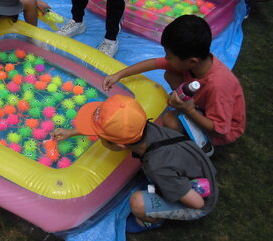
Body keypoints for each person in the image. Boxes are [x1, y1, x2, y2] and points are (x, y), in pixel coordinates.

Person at [52, 94, 218, 232]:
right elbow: (111, 131)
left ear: (119, 145)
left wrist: (169, 190)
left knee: (137, 202)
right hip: (195, 167)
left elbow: (198, 203)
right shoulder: (145, 129)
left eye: (101, 138)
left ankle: (150, 220)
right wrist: (72, 132)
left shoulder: (157, 167)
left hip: (198, 200)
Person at [102, 15, 246, 147]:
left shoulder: (218, 86)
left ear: (191, 61)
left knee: (169, 120)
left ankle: (199, 146)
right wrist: (120, 75)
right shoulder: (196, 63)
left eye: (169, 56)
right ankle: (189, 109)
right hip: (202, 105)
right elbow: (154, 63)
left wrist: (188, 109)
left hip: (219, 130)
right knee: (170, 75)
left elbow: (220, 130)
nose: (166, 59)